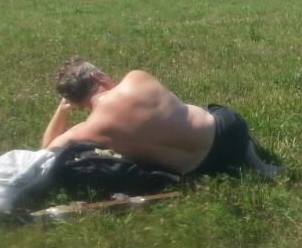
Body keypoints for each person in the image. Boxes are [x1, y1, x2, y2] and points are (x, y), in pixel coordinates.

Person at [41, 57, 280, 177]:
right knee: (212, 109)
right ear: (98, 77)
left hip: (199, 170)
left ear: (76, 101)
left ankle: (248, 158)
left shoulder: (88, 130)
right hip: (229, 135)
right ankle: (256, 162)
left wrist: (62, 111)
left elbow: (46, 150)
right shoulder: (136, 78)